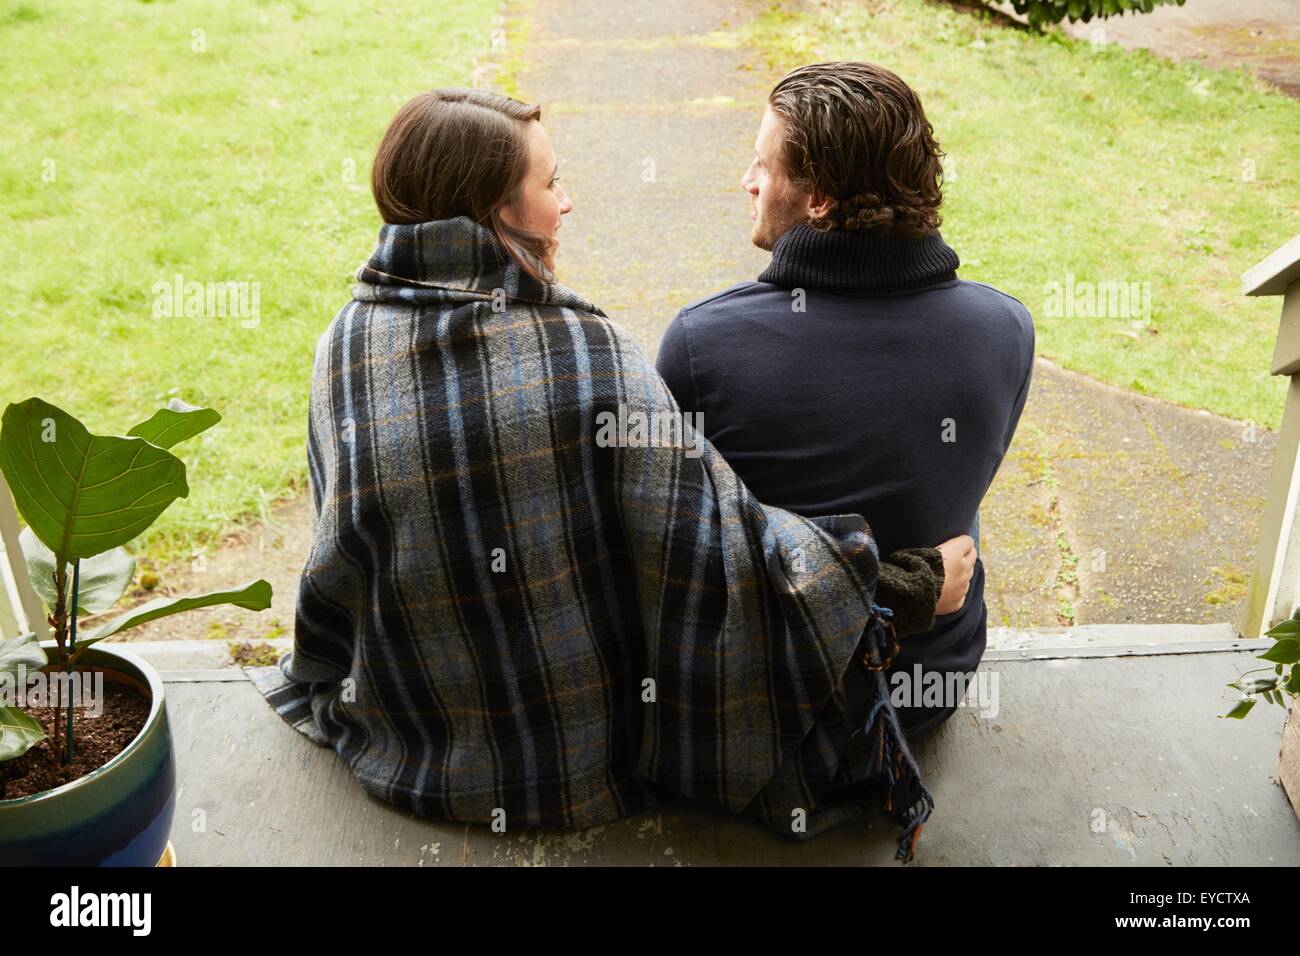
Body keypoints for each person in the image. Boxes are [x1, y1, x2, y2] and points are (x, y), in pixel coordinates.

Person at [248, 89, 973, 860]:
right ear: (496, 211)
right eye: (551, 184)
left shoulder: (343, 346)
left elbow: (345, 562)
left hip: (406, 739)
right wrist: (896, 586)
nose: (567, 203)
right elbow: (712, 561)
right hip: (578, 764)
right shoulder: (590, 357)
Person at [657, 62, 1036, 743]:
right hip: (927, 688)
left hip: (775, 699)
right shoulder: (1006, 328)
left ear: (820, 200)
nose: (747, 181)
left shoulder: (701, 343)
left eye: (763, 167)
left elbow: (686, 562)